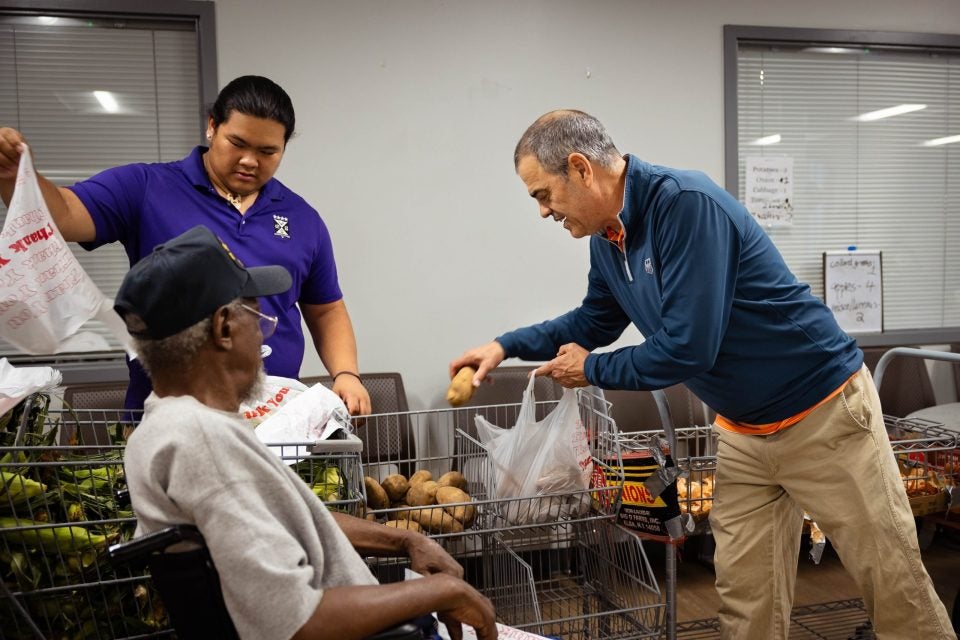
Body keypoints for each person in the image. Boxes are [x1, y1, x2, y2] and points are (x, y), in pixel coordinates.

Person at [450, 110, 955, 640]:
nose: (543, 211)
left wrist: (592, 368)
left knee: (892, 583)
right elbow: (594, 320)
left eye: (542, 194)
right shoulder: (608, 236)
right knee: (747, 597)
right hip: (745, 431)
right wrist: (506, 346)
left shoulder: (685, 206)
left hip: (824, 415)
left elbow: (690, 348)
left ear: (580, 168)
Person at [117, 225, 496, 640]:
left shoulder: (166, 424)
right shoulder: (200, 440)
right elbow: (297, 621)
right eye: (258, 317)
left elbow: (287, 514)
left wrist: (402, 542)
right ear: (224, 328)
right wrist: (439, 591)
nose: (266, 334)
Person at [0, 75, 370, 415]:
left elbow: (325, 309)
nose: (249, 160)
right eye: (237, 143)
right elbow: (63, 215)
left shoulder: (302, 218)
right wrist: (20, 179)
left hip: (273, 420)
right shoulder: (146, 187)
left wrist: (346, 373)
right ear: (212, 126)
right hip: (168, 415)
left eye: (267, 151)